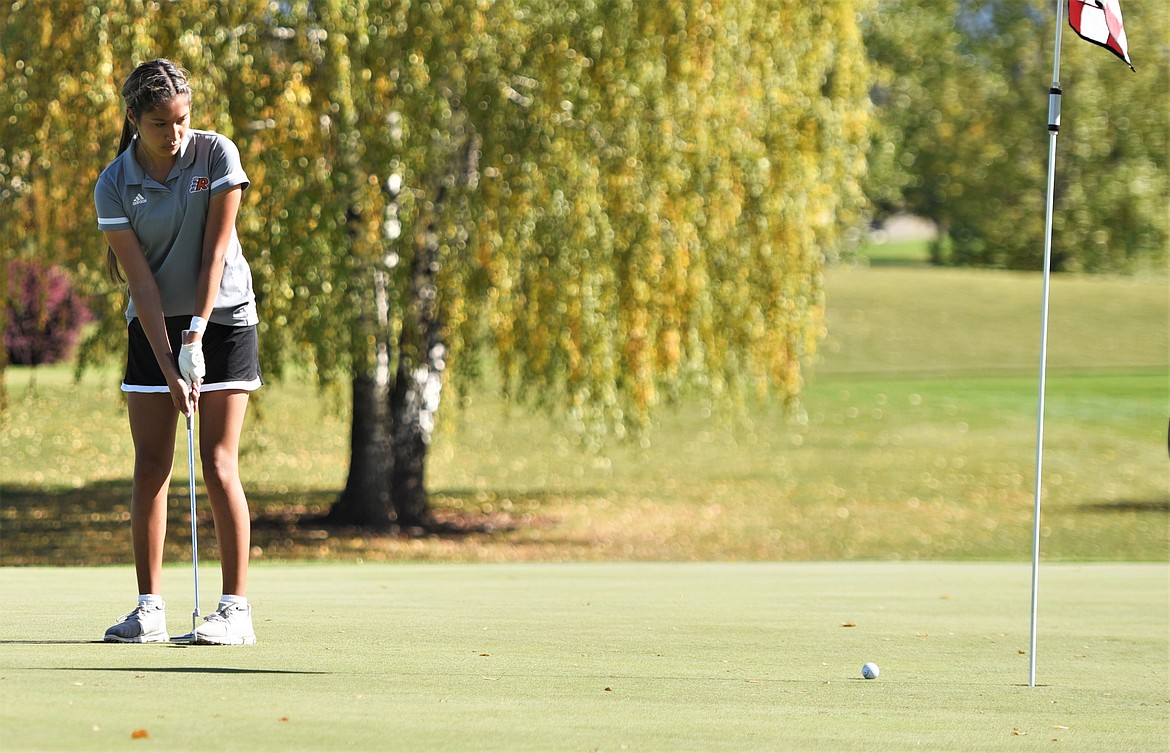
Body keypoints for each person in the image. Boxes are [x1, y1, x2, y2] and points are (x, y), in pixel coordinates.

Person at [94, 59, 261, 645]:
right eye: (162, 122)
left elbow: (216, 252)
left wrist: (196, 334)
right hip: (153, 329)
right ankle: (149, 609)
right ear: (134, 118)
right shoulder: (115, 183)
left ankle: (235, 612)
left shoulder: (216, 155)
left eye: (183, 119)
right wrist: (169, 366)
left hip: (225, 318)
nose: (176, 134)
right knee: (150, 468)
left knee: (217, 462)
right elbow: (139, 283)